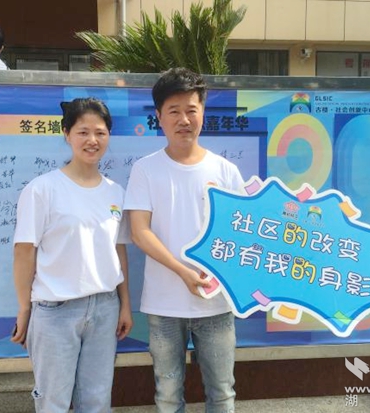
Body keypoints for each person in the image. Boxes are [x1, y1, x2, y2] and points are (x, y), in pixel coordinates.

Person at [124, 67, 243, 412]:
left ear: (203, 112)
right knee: (167, 394)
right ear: (159, 116)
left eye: (191, 109)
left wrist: (219, 271)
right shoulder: (145, 169)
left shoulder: (225, 171)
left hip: (216, 303)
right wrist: (183, 271)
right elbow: (140, 231)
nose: (184, 119)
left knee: (222, 392)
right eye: (174, 111)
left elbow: (238, 233)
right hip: (163, 306)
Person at [11, 98, 132, 413]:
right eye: (83, 132)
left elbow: (118, 249)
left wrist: (124, 305)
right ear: (66, 134)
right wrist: (24, 309)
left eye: (100, 133)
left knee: (97, 401)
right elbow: (24, 251)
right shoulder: (43, 189)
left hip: (105, 308)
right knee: (53, 401)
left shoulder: (115, 192)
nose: (92, 140)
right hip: (56, 311)